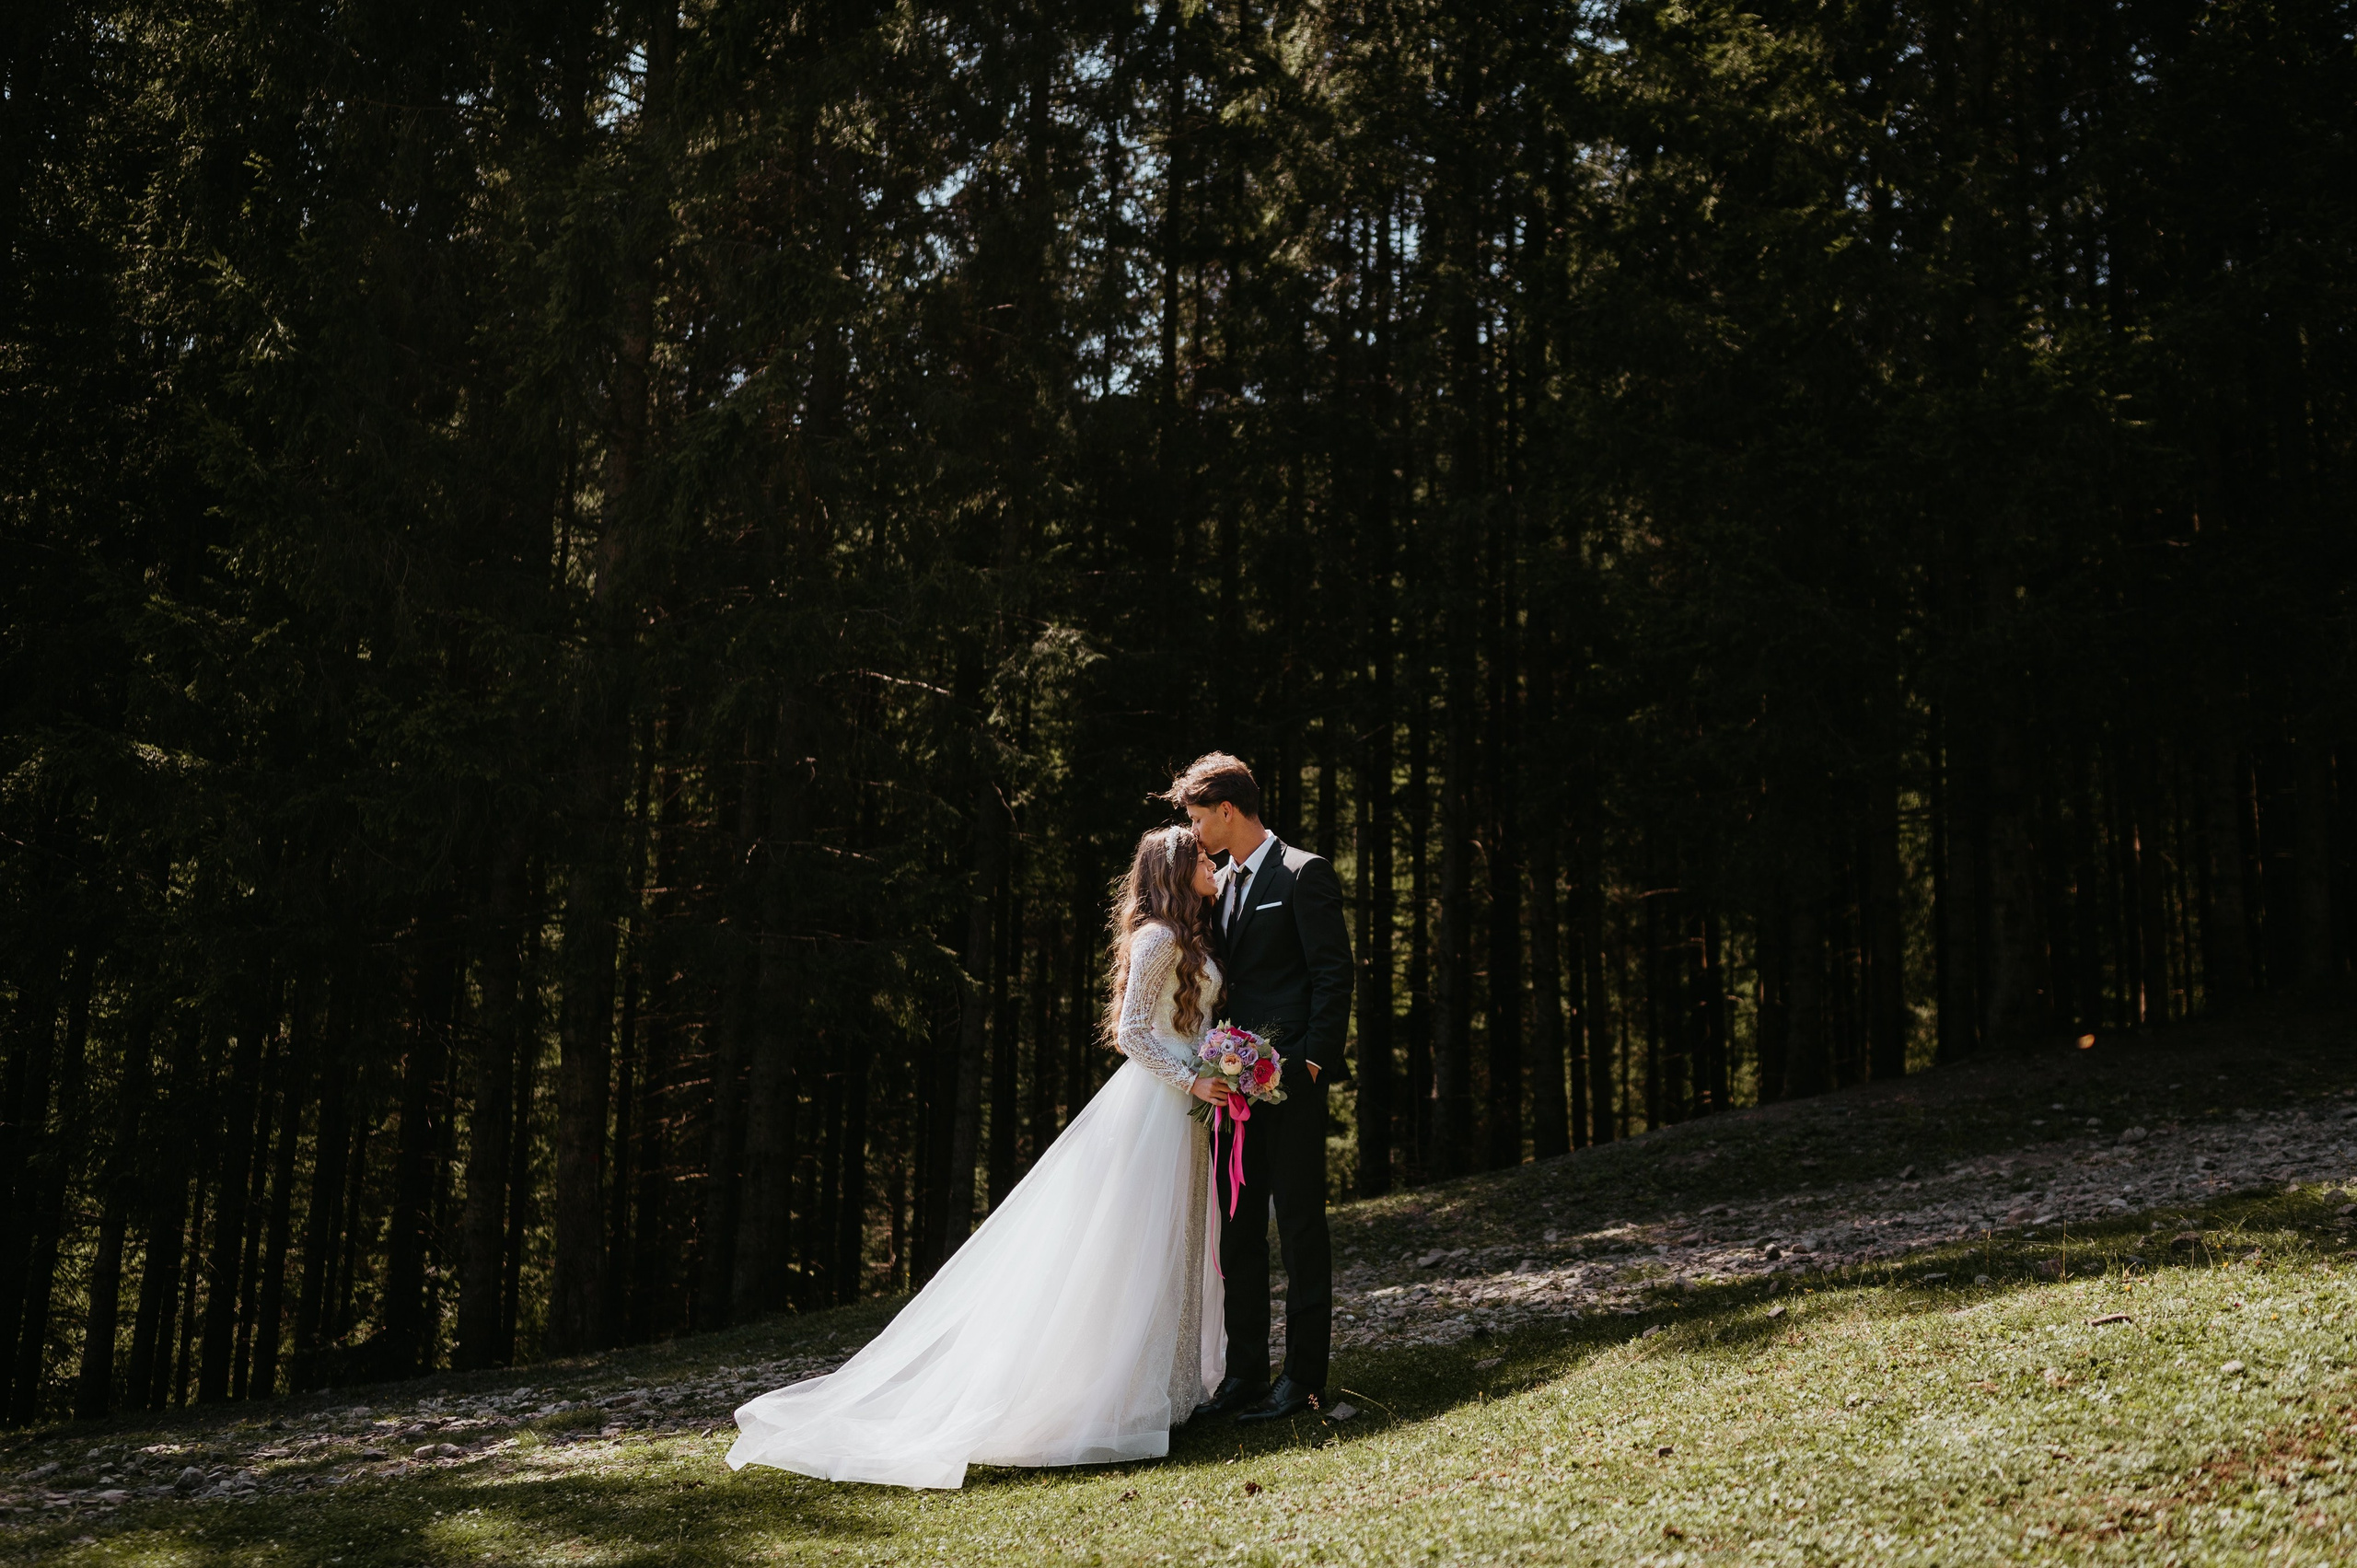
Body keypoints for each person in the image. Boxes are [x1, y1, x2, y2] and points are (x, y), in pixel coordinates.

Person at [726, 825, 1227, 1489]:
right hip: (1156, 1106)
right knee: (1136, 1246)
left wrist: (1227, 1058)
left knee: (1185, 1239)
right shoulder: (1159, 936)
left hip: (1190, 1104)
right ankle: (1128, 1395)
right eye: (1200, 855)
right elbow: (1132, 1031)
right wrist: (1192, 1076)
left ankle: (1175, 1388)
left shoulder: (1192, 934)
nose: (1212, 861)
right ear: (1173, 867)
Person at [1164, 751, 1353, 1424]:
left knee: (1301, 1230)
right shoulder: (1214, 887)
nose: (1191, 833)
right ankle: (1242, 1375)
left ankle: (1301, 1379)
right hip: (1230, 1095)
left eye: (1194, 817)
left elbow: (1333, 977)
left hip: (1290, 1088)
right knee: (1237, 1236)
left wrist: (1306, 1066)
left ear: (1227, 809)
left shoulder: (1303, 874)